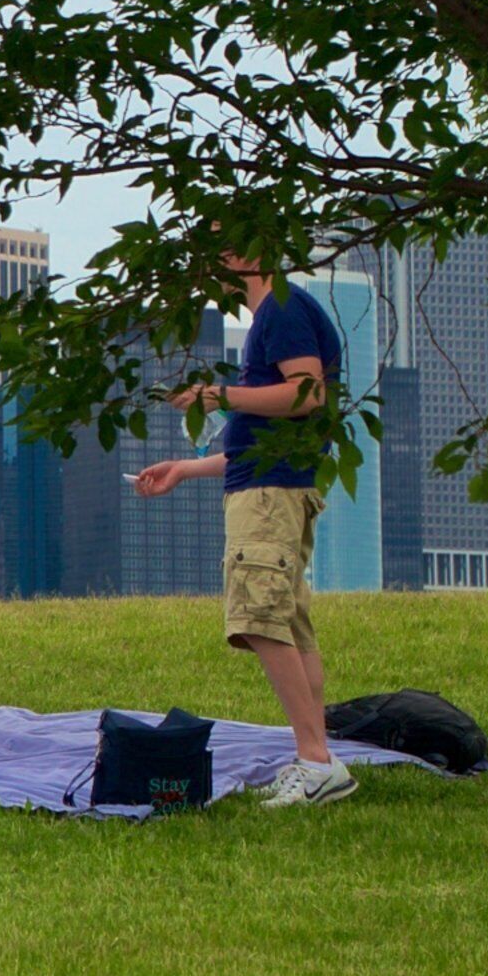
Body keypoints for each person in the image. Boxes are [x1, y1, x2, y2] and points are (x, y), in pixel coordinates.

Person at [132, 250, 356, 807]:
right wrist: (186, 468)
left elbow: (307, 393)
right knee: (288, 625)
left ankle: (314, 760)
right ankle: (318, 757)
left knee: (259, 620)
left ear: (244, 252)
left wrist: (218, 395)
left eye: (212, 249)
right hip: (269, 487)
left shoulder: (281, 310)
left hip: (270, 497)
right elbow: (260, 439)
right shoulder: (273, 317)